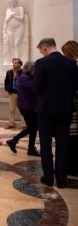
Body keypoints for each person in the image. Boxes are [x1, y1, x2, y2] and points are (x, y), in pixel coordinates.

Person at [34, 38, 78, 188]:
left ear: (45, 48)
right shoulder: (71, 63)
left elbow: (37, 87)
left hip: (45, 109)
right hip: (65, 109)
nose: (41, 53)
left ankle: (48, 177)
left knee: (45, 144)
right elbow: (75, 87)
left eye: (41, 51)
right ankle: (61, 179)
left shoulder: (41, 63)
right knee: (63, 144)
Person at [6, 61, 40, 156]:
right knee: (33, 127)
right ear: (30, 70)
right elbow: (35, 90)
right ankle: (16, 141)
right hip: (27, 107)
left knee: (33, 128)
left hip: (29, 107)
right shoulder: (24, 78)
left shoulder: (29, 77)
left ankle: (28, 147)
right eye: (35, 70)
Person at [61, 40, 78, 176]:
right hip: (72, 104)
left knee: (72, 137)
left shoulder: (73, 66)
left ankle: (72, 166)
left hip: (73, 106)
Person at [3, 0, 28, 64]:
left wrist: (14, 15)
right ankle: (13, 61)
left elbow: (21, 18)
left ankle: (18, 61)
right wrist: (11, 15)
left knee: (17, 43)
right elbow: (7, 20)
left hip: (19, 27)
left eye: (13, 1)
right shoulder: (8, 10)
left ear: (16, 2)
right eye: (10, 2)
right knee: (11, 44)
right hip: (10, 28)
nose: (12, 3)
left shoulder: (20, 8)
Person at [4, 58, 23, 129]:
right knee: (11, 109)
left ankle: (24, 125)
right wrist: (7, 88)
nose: (14, 64)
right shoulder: (9, 72)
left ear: (20, 64)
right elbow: (6, 81)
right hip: (12, 93)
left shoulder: (23, 72)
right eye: (13, 62)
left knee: (22, 109)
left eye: (16, 62)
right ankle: (11, 123)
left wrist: (18, 78)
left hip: (21, 93)